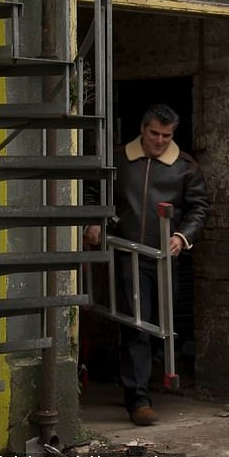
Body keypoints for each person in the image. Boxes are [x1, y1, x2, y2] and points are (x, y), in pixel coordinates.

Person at [85, 103, 210, 426]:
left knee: (162, 326)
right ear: (142, 130)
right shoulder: (118, 160)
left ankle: (141, 377)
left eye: (166, 135)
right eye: (154, 133)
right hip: (129, 255)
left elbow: (199, 207)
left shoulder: (185, 168)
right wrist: (94, 222)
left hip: (166, 257)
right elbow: (92, 191)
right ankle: (137, 399)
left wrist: (183, 236)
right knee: (136, 325)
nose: (159, 140)